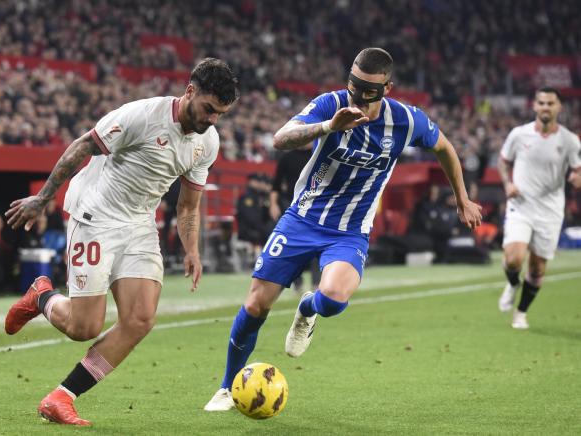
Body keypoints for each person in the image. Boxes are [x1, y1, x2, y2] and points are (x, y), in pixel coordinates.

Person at [204, 47, 482, 411]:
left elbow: (444, 148)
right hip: (302, 220)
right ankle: (227, 387)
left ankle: (308, 308)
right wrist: (327, 127)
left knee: (333, 300)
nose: (361, 101)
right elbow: (280, 138)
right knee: (256, 304)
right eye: (356, 89)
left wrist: (461, 197)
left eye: (370, 93)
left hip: (349, 231)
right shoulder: (329, 104)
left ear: (387, 88)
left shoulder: (406, 121)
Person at [4, 58, 239, 426]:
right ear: (190, 91)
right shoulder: (141, 116)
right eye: (209, 109)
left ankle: (61, 397)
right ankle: (42, 295)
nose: (212, 120)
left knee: (140, 318)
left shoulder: (207, 142)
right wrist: (43, 198)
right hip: (95, 216)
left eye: (220, 114)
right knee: (84, 328)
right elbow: (82, 147)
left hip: (139, 223)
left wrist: (192, 249)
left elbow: (189, 204)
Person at [497, 87, 581, 329]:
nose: (545, 107)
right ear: (534, 106)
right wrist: (507, 183)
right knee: (514, 258)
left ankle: (521, 313)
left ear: (559, 107)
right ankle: (513, 283)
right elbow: (503, 162)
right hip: (521, 205)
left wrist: (577, 179)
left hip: (550, 211)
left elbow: (577, 170)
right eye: (541, 103)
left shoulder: (569, 140)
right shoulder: (519, 134)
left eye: (550, 103)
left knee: (537, 268)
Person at [269, 144, 322, 292]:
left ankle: (316, 282)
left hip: (315, 206)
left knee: (315, 245)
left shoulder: (318, 154)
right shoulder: (286, 158)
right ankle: (296, 281)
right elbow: (276, 184)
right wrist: (273, 204)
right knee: (291, 246)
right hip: (291, 206)